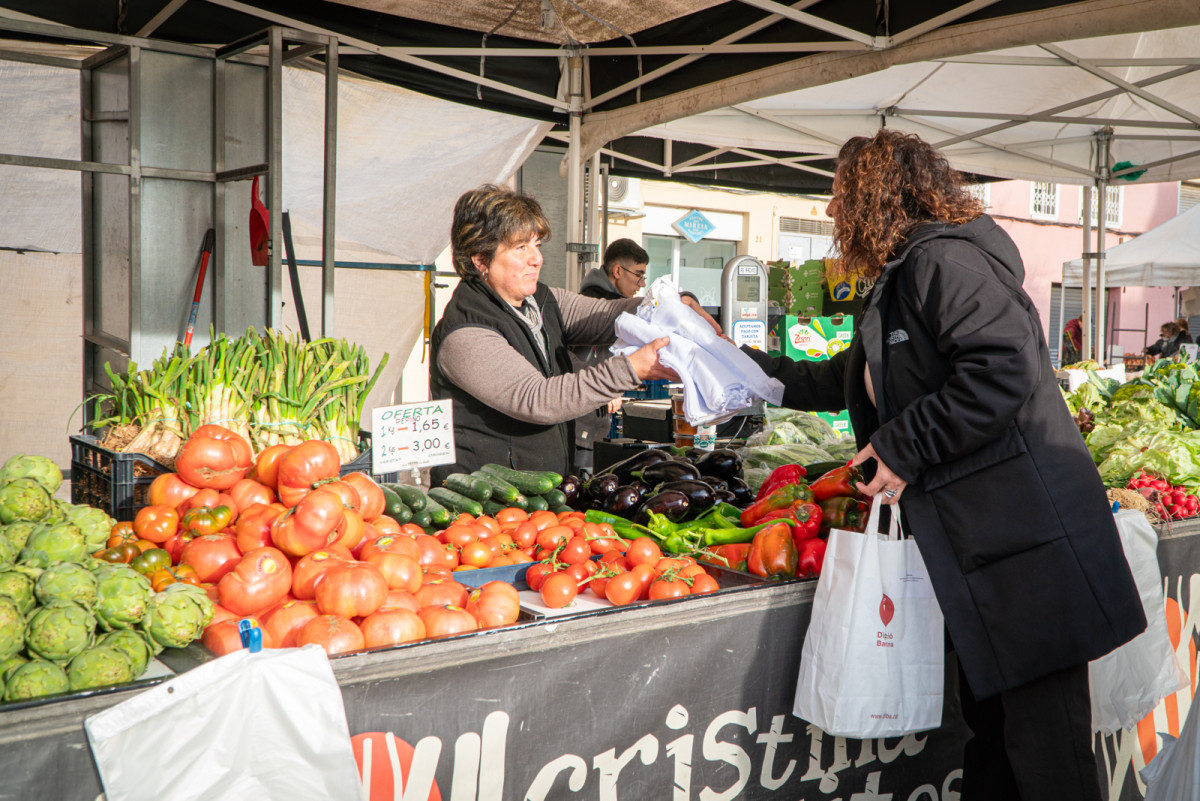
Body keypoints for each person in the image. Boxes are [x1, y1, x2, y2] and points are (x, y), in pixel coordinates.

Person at [741, 130, 1145, 801]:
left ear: (877, 197)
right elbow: (853, 379)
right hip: (985, 553)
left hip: (1026, 554)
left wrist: (902, 447)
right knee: (993, 742)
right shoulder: (901, 279)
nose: (832, 212)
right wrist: (739, 365)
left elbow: (1001, 368)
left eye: (842, 196)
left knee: (1048, 756)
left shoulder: (944, 265)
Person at [429, 185, 677, 485]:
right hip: (485, 507)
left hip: (541, 497)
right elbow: (538, 399)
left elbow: (610, 315)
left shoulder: (542, 301)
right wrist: (628, 370)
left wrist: (670, 308)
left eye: (537, 246)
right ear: (480, 259)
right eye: (521, 247)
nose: (537, 259)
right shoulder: (466, 332)